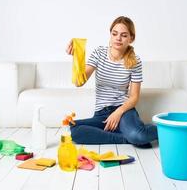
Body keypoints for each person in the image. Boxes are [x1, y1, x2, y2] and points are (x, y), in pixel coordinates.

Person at [66, 16, 158, 147]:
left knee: (138, 135)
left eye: (124, 35)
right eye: (114, 34)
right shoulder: (99, 53)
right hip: (101, 114)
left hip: (124, 111)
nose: (118, 38)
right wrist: (76, 56)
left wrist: (118, 113)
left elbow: (134, 97)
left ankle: (154, 131)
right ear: (110, 35)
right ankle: (126, 139)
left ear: (131, 38)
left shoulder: (135, 61)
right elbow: (78, 82)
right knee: (74, 130)